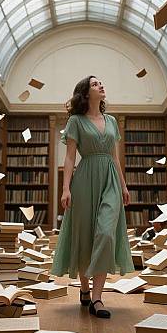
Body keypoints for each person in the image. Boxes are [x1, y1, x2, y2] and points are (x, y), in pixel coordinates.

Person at [51, 76, 134, 318]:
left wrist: (124, 186)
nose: (101, 85)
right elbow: (69, 158)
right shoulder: (76, 121)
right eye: (96, 84)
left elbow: (115, 157)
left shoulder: (111, 121)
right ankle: (85, 289)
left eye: (101, 83)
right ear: (86, 93)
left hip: (109, 178)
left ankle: (97, 298)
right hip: (84, 179)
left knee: (106, 233)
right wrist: (66, 188)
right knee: (85, 237)